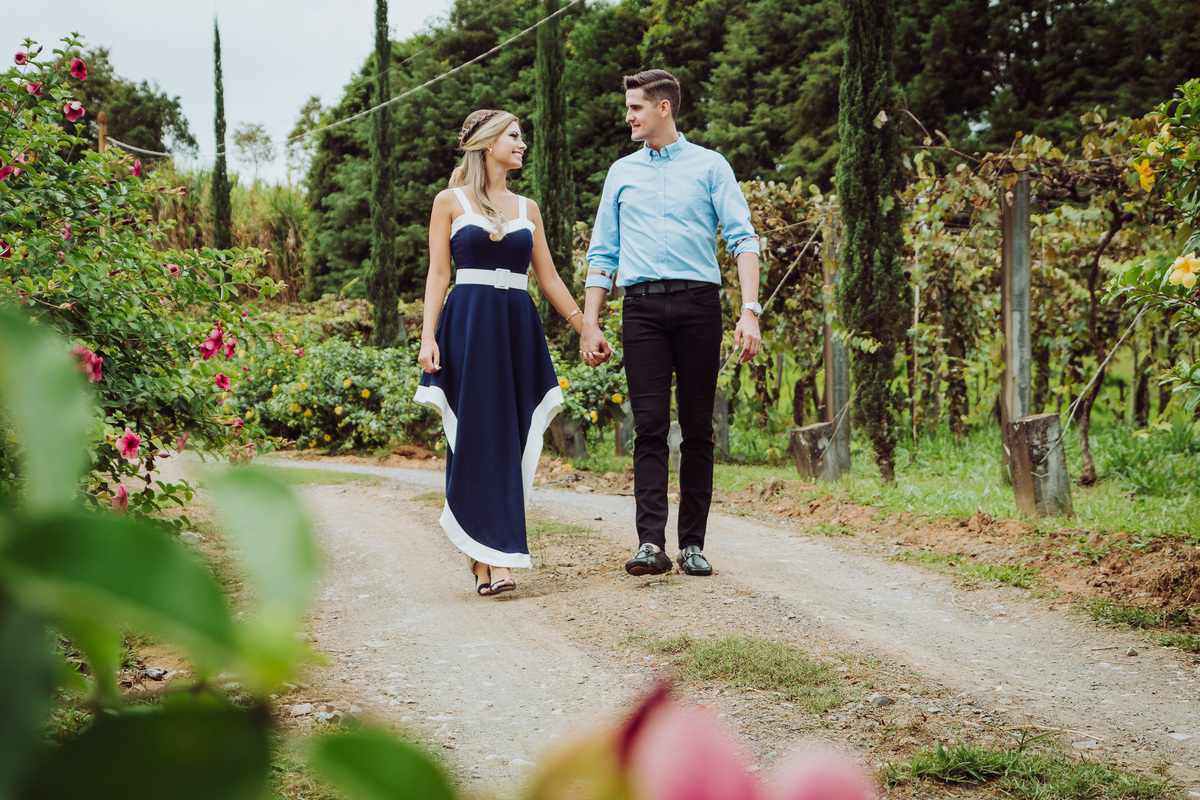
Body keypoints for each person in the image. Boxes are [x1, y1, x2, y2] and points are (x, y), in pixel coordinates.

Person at [579, 70, 762, 578]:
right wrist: (590, 323)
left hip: (700, 305)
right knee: (650, 427)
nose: (628, 116)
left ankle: (693, 545)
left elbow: (743, 240)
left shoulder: (710, 166)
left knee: (699, 429)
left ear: (663, 108)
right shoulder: (621, 173)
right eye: (627, 107)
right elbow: (603, 252)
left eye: (635, 107)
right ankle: (648, 543)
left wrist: (750, 311)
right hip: (641, 310)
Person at [415, 109, 596, 597]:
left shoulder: (528, 208)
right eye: (513, 136)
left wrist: (585, 327)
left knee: (510, 436)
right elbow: (438, 275)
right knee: (475, 437)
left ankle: (489, 557)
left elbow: (550, 279)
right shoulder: (448, 202)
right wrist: (427, 336)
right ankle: (493, 559)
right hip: (469, 327)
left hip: (517, 327)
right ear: (487, 142)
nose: (521, 144)